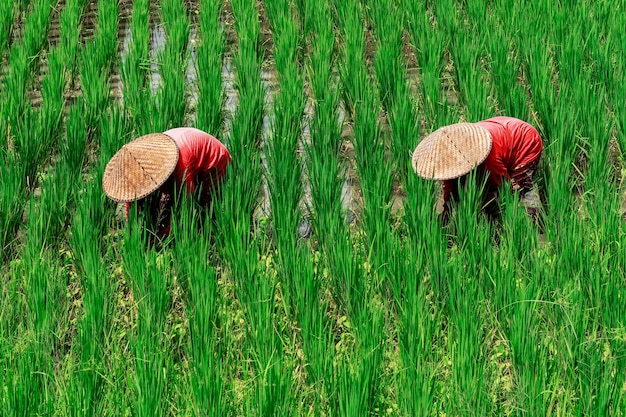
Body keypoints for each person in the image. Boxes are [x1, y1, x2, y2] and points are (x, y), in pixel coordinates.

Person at [102, 127, 232, 238]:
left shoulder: (180, 165)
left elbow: (185, 202)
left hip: (215, 159)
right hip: (189, 147)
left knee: (204, 206)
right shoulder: (141, 165)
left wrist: (163, 234)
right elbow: (132, 198)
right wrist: (130, 227)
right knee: (168, 195)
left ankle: (205, 235)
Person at [412, 116, 543, 225]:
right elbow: (451, 189)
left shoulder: (487, 155)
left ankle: (533, 220)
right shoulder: (448, 159)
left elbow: (502, 186)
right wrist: (446, 214)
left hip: (524, 140)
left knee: (516, 189)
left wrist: (487, 210)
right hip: (501, 130)